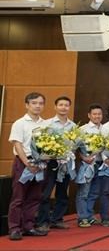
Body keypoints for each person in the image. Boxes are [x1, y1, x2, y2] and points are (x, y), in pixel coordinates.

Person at [8, 92, 48, 241]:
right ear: (27, 105)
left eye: (41, 103)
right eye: (34, 103)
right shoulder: (20, 123)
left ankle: (28, 226)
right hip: (23, 163)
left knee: (34, 197)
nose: (38, 106)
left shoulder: (45, 124)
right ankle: (14, 228)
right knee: (18, 198)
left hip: (40, 165)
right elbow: (17, 144)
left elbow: (49, 146)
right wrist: (28, 163)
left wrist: (42, 161)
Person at [36, 96, 76, 232]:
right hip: (50, 163)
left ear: (69, 107)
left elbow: (76, 145)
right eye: (61, 105)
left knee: (62, 192)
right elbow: (41, 143)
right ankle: (43, 221)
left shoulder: (73, 126)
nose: (64, 107)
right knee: (45, 193)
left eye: (66, 105)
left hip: (66, 163)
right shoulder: (47, 124)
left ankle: (57, 219)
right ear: (55, 107)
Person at [76, 104, 104, 228]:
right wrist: (84, 157)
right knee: (84, 192)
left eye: (99, 114)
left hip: (101, 164)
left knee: (94, 192)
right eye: (94, 114)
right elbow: (75, 148)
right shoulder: (82, 129)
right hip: (86, 165)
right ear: (89, 115)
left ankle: (89, 215)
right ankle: (82, 217)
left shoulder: (105, 129)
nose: (97, 116)